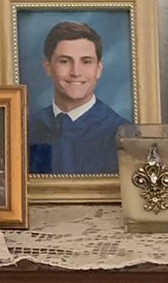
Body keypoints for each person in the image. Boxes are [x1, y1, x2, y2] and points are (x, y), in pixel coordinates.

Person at [26, 20, 125, 175]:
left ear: (98, 69)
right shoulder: (27, 129)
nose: (76, 72)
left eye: (86, 61)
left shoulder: (121, 134)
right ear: (48, 67)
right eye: (65, 61)